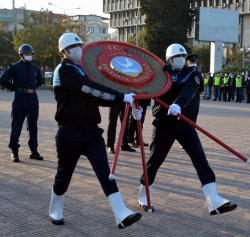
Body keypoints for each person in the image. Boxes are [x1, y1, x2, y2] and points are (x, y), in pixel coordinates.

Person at [48, 32, 142, 229]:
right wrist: (120, 96)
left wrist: (125, 98)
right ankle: (55, 209)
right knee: (64, 174)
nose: (78, 50)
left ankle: (121, 213)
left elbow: (97, 98)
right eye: (74, 47)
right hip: (69, 133)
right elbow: (89, 88)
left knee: (105, 172)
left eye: (79, 46)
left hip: (92, 133)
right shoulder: (64, 70)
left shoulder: (82, 70)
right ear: (64, 50)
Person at [136, 43, 237, 216]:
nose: (181, 60)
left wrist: (178, 104)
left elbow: (189, 91)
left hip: (185, 124)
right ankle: (144, 196)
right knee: (154, 161)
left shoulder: (191, 73)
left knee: (200, 159)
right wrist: (137, 108)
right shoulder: (160, 74)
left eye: (183, 56)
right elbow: (147, 90)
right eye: (177, 57)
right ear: (169, 59)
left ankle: (213, 200)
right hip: (164, 125)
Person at [0, 44, 44, 162]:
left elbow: (40, 81)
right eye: (26, 54)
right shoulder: (14, 67)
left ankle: (33, 150)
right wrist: (14, 87)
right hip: (20, 100)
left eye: (30, 54)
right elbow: (2, 79)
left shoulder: (35, 68)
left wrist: (32, 88)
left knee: (33, 126)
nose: (28, 55)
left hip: (33, 100)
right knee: (17, 126)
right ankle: (14, 151)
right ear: (21, 55)